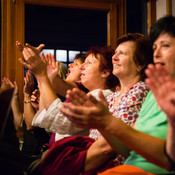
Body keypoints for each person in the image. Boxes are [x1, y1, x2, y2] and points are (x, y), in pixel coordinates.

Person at [60, 16, 175, 174]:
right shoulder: (153, 93)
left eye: (166, 46)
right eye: (155, 48)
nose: (156, 54)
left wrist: (107, 121)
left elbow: (168, 159)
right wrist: (102, 122)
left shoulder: (142, 90)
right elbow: (127, 150)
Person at [33, 33, 153, 175]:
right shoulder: (113, 96)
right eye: (115, 53)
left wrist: (42, 76)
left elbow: (109, 148)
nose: (115, 57)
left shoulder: (140, 91)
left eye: (122, 53)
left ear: (140, 64)